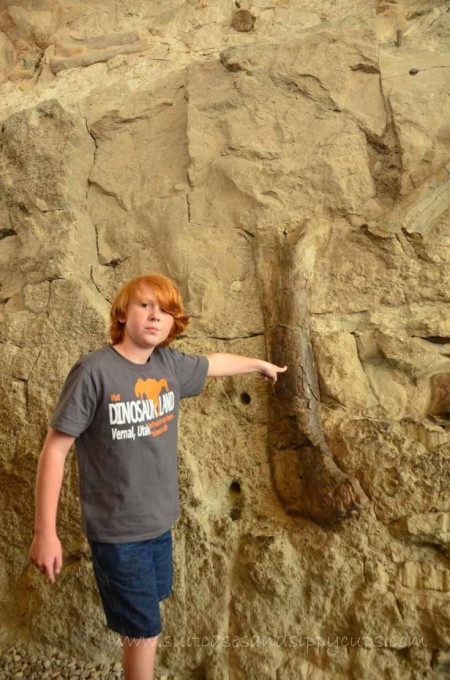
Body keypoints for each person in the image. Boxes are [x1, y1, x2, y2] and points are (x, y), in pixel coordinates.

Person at [29, 273, 287, 680]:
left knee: (147, 619)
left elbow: (214, 364)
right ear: (123, 313)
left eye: (165, 310)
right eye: (145, 305)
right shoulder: (93, 371)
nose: (155, 316)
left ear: (174, 323)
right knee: (144, 632)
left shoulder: (168, 365)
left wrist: (259, 364)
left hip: (160, 524)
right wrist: (45, 532)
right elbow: (55, 450)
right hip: (117, 533)